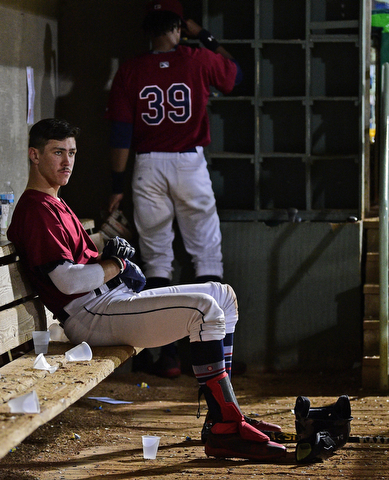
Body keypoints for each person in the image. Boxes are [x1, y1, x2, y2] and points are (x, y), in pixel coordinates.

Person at [7, 118, 285, 461]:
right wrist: (116, 265)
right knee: (203, 309)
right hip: (89, 316)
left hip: (108, 302)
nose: (67, 162)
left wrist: (108, 254)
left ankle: (222, 415)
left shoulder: (55, 202)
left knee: (221, 295)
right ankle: (226, 424)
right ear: (34, 155)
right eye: (57, 153)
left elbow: (82, 263)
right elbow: (67, 281)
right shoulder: (35, 209)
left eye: (72, 153)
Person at [104, 0, 243, 378]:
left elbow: (120, 132)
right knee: (206, 257)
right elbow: (236, 74)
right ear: (179, 28)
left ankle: (163, 356)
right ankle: (212, 356)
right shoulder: (198, 59)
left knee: (156, 259)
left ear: (149, 30)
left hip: (147, 163)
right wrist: (205, 36)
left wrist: (117, 184)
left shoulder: (131, 69)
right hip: (189, 162)